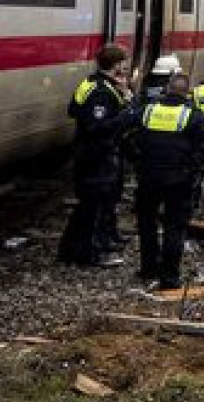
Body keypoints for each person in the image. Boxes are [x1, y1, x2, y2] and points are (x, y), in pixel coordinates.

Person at [126, 72, 204, 290]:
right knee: (174, 226)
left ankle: (148, 267)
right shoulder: (194, 116)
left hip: (149, 176)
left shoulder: (148, 110)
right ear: (187, 92)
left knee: (147, 222)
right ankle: (169, 277)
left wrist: (135, 159)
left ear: (167, 89)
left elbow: (122, 131)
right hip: (180, 179)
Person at [59, 43, 133, 268]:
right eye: (123, 63)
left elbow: (73, 109)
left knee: (92, 204)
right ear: (117, 64)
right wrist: (126, 113)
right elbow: (97, 127)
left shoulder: (90, 83)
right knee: (92, 205)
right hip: (96, 155)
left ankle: (77, 248)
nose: (125, 67)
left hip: (92, 153)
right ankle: (87, 253)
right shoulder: (102, 91)